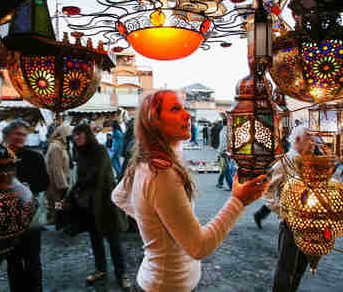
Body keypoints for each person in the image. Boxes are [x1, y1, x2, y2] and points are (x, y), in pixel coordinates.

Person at [111, 90, 269, 292]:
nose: (187, 115)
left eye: (184, 108)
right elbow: (199, 247)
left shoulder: (151, 160)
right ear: (154, 121)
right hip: (167, 284)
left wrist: (160, 224)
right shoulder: (161, 173)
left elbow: (119, 195)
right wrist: (238, 201)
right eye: (175, 109)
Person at [66, 124, 131, 289]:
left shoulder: (100, 151)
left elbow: (96, 176)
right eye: (75, 135)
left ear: (87, 135)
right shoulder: (80, 154)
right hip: (89, 205)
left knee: (113, 240)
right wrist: (70, 195)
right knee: (95, 239)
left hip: (105, 202)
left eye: (80, 134)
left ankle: (121, 274)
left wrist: (76, 190)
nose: (77, 138)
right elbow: (79, 178)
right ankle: (100, 270)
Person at [266, 126, 316, 292]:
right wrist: (283, 213)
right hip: (291, 224)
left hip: (308, 223)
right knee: (286, 268)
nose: (313, 144)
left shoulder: (308, 162)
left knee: (301, 266)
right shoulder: (284, 163)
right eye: (310, 139)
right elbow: (267, 192)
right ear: (297, 140)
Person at [4, 120, 50, 292]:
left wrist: (28, 188)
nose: (20, 138)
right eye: (17, 134)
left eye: (23, 134)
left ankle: (36, 289)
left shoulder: (34, 157)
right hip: (7, 218)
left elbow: (45, 182)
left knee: (32, 258)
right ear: (7, 135)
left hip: (30, 215)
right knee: (13, 259)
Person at [45, 125, 72, 225]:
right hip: (56, 182)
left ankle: (57, 218)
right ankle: (56, 219)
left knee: (57, 201)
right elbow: (56, 168)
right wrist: (62, 185)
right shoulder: (56, 147)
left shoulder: (60, 145)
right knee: (56, 201)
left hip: (59, 180)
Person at [217, 118, 233, 191]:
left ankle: (231, 186)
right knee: (223, 168)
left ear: (223, 123)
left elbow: (223, 144)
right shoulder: (229, 131)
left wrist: (220, 152)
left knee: (226, 169)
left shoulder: (224, 131)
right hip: (228, 152)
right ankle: (220, 182)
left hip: (224, 152)